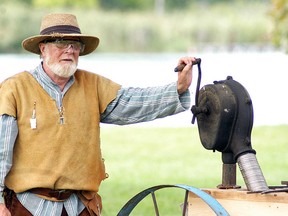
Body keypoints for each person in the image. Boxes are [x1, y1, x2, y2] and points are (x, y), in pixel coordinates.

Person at [0, 13, 195, 216]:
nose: (70, 50)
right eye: (61, 43)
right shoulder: (15, 88)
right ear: (43, 48)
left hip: (80, 207)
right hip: (27, 207)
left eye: (75, 45)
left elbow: (132, 102)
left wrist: (178, 88)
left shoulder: (94, 86)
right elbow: (1, 151)